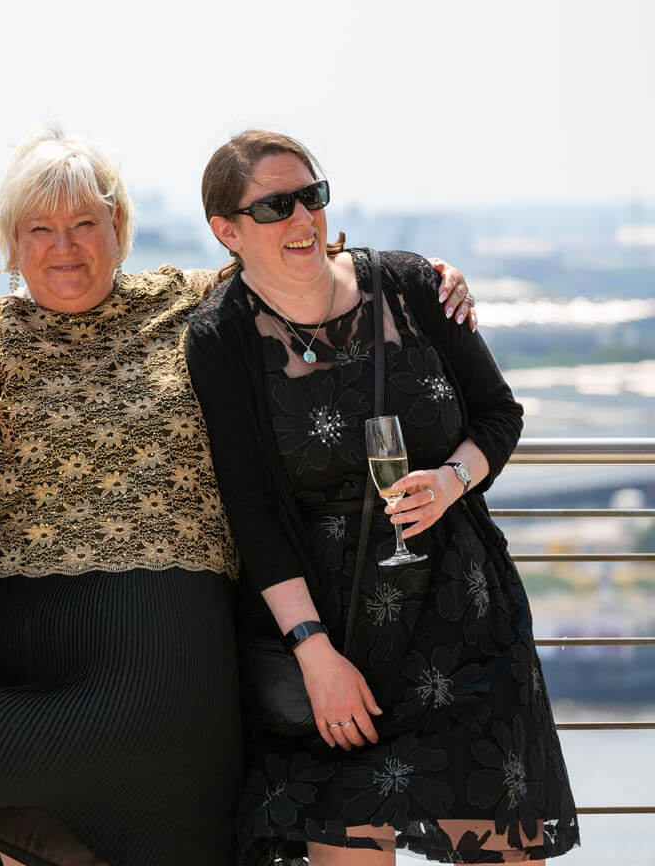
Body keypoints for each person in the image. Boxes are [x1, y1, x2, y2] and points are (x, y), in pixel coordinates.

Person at [0, 122, 478, 866]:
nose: (64, 246)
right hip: (18, 620)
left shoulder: (191, 302)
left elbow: (299, 266)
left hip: (164, 624)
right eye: (39, 229)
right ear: (9, 244)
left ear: (120, 227)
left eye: (84, 224)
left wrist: (422, 277)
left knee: (138, 776)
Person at [185, 130, 579, 864]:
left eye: (311, 196)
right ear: (227, 231)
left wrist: (452, 480)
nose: (302, 219)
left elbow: (500, 413)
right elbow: (254, 512)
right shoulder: (221, 337)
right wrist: (313, 655)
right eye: (275, 206)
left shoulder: (413, 285)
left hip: (464, 624)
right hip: (341, 652)